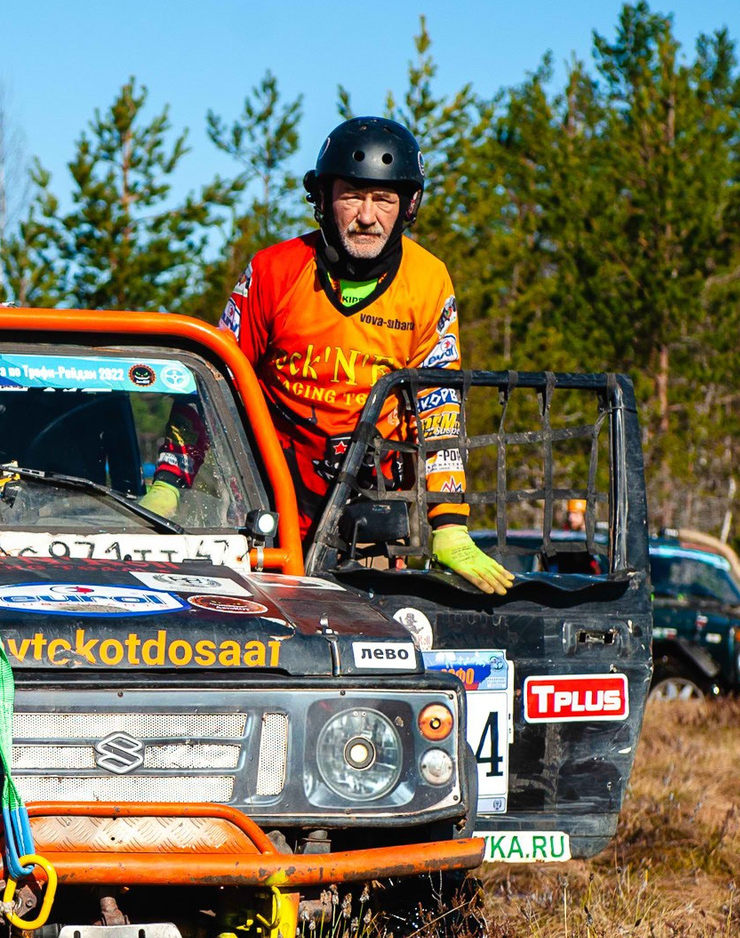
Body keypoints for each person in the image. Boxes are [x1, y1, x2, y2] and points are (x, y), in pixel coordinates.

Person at [142, 117, 512, 594]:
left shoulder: (428, 281)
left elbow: (440, 408)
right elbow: (217, 383)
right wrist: (169, 485)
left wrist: (449, 524)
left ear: (408, 206)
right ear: (322, 198)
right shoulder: (274, 270)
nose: (366, 216)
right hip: (272, 501)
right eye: (352, 196)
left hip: (371, 508)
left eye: (383, 200)